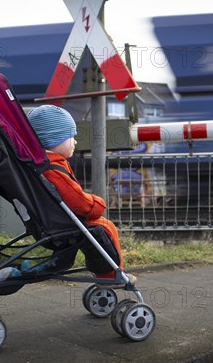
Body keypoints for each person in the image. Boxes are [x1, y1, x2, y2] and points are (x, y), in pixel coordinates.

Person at [27, 105, 135, 286]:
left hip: (51, 223)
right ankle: (110, 274)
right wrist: (97, 204)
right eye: (71, 137)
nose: (75, 142)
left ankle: (105, 273)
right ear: (54, 138)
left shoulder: (42, 165)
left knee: (97, 229)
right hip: (61, 227)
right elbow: (78, 203)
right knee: (105, 227)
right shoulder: (53, 170)